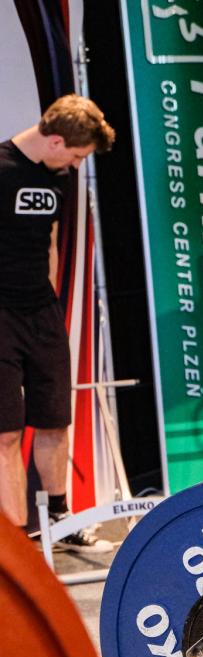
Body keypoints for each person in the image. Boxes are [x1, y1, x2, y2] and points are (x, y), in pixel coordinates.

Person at [0, 94, 116, 548]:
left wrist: (48, 301)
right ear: (54, 141)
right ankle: (19, 547)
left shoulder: (60, 176)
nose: (77, 164)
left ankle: (60, 521)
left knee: (54, 420)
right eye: (76, 155)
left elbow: (49, 241)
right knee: (6, 433)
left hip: (41, 312)